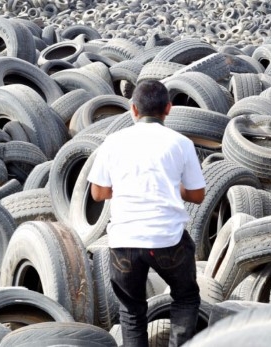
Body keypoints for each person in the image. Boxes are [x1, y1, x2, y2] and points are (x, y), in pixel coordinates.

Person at [87, 80, 206, 347]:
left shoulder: (113, 142)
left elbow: (98, 193)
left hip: (124, 242)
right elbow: (198, 196)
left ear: (133, 109)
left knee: (131, 312)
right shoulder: (181, 143)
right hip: (168, 241)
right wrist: (175, 188)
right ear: (168, 108)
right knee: (185, 298)